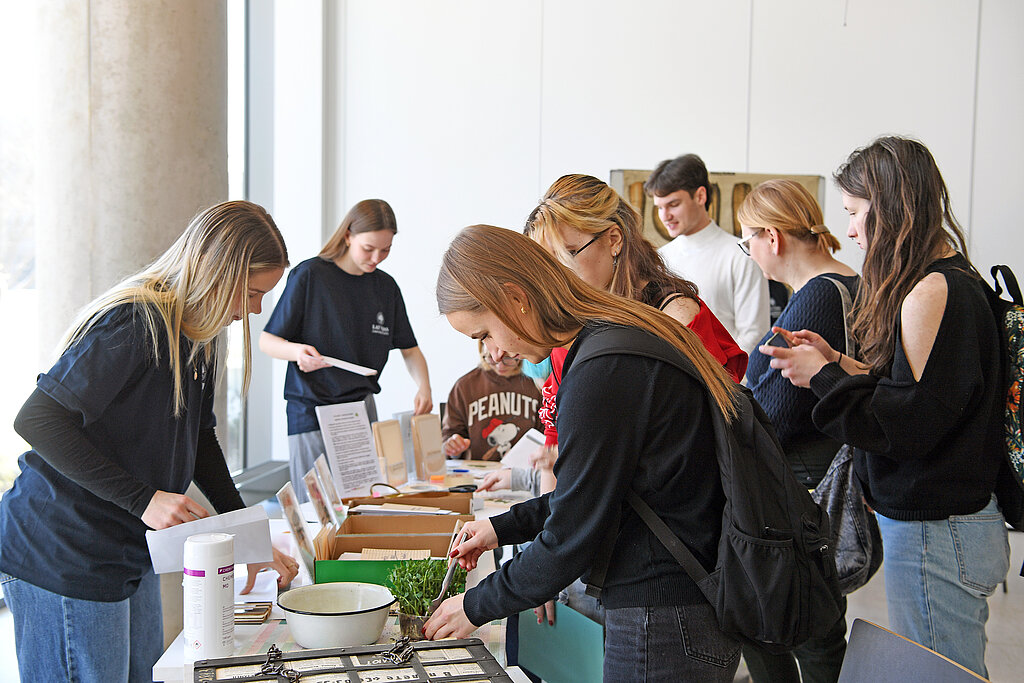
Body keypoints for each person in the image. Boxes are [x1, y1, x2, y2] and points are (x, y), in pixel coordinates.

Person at [424, 224, 742, 681]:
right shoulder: (607, 338)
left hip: (665, 616)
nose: (494, 351)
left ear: (515, 298)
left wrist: (475, 605)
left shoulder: (602, 368)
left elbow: (572, 533)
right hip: (677, 606)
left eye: (485, 332)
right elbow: (594, 491)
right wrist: (501, 527)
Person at [0, 200, 300, 682]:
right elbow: (38, 419)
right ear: (216, 272)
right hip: (64, 549)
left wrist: (248, 533)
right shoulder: (135, 322)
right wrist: (144, 499)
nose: (254, 309)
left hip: (126, 550)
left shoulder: (198, 337)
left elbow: (200, 441)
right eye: (250, 293)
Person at [763, 137, 1010, 678]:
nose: (850, 229)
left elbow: (904, 427)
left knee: (938, 674)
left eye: (855, 212)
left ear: (891, 205)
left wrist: (822, 376)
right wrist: (836, 361)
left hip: (937, 529)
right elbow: (916, 393)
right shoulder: (951, 279)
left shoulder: (932, 291)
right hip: (948, 527)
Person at [737, 180, 859, 683]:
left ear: (772, 236)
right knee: (813, 621)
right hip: (819, 472)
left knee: (790, 622)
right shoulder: (847, 282)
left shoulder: (817, 296)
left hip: (801, 481)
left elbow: (777, 413)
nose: (750, 253)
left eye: (748, 240)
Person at [259, 199, 432, 502]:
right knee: (317, 506)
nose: (376, 258)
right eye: (369, 248)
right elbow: (268, 341)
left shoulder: (385, 288)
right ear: (348, 235)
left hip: (360, 410)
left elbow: (410, 349)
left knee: (363, 500)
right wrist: (298, 353)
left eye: (386, 250)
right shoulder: (310, 275)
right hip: (312, 408)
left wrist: (424, 386)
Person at [647, 153, 770, 354]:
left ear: (700, 196)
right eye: (659, 207)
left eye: (673, 204)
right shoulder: (659, 260)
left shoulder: (740, 256)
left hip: (726, 373)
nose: (665, 216)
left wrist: (717, 374)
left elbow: (754, 335)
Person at [442, 340, 542, 461]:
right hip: (477, 469)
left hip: (525, 468)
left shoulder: (537, 384)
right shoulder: (465, 386)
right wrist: (454, 447)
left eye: (508, 357)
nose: (500, 365)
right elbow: (449, 436)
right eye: (491, 357)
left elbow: (545, 434)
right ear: (482, 351)